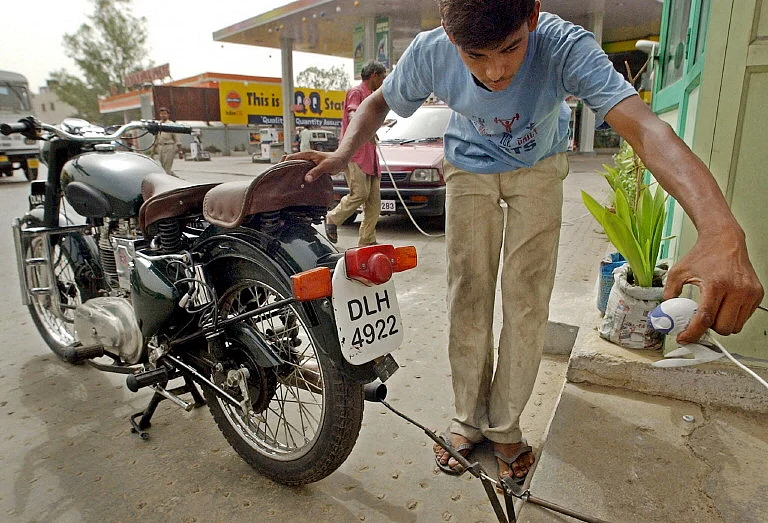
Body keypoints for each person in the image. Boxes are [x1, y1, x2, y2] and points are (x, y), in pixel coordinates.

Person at [291, 0, 764, 486]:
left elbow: (645, 127)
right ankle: (467, 421)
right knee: (467, 296)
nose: (495, 72)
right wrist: (344, 151)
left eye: (510, 49)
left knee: (527, 302)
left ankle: (506, 427)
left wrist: (719, 228)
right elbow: (378, 103)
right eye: (476, 56)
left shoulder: (565, 46)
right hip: (468, 170)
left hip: (538, 169)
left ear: (533, 15)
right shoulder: (430, 51)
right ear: (449, 34)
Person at [320, 60, 387, 245]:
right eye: (382, 76)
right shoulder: (356, 92)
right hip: (355, 153)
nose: (384, 80)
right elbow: (353, 113)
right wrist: (365, 127)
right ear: (373, 75)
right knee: (360, 193)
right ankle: (333, 217)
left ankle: (367, 240)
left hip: (370, 154)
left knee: (374, 203)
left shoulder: (372, 96)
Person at [151, 107, 180, 176]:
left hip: (169, 146)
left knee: (167, 166)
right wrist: (152, 152)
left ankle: (170, 182)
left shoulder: (171, 124)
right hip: (160, 147)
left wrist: (180, 150)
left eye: (164, 114)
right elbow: (155, 139)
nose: (163, 115)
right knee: (163, 166)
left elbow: (177, 138)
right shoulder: (158, 124)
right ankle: (174, 177)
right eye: (161, 114)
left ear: (168, 115)